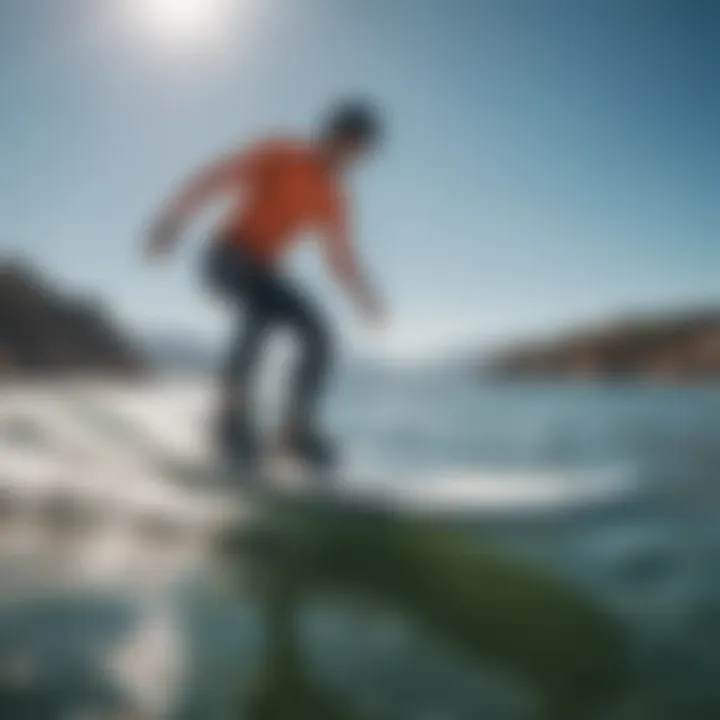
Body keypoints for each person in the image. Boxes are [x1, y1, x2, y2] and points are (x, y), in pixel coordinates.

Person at [144, 100, 386, 467]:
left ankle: (295, 430)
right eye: (354, 144)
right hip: (226, 257)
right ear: (334, 134)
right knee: (261, 312)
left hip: (265, 271)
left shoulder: (334, 197)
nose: (355, 156)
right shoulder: (280, 153)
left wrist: (365, 298)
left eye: (363, 151)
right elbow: (214, 179)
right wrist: (171, 222)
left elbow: (340, 257)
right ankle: (229, 418)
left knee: (319, 334)